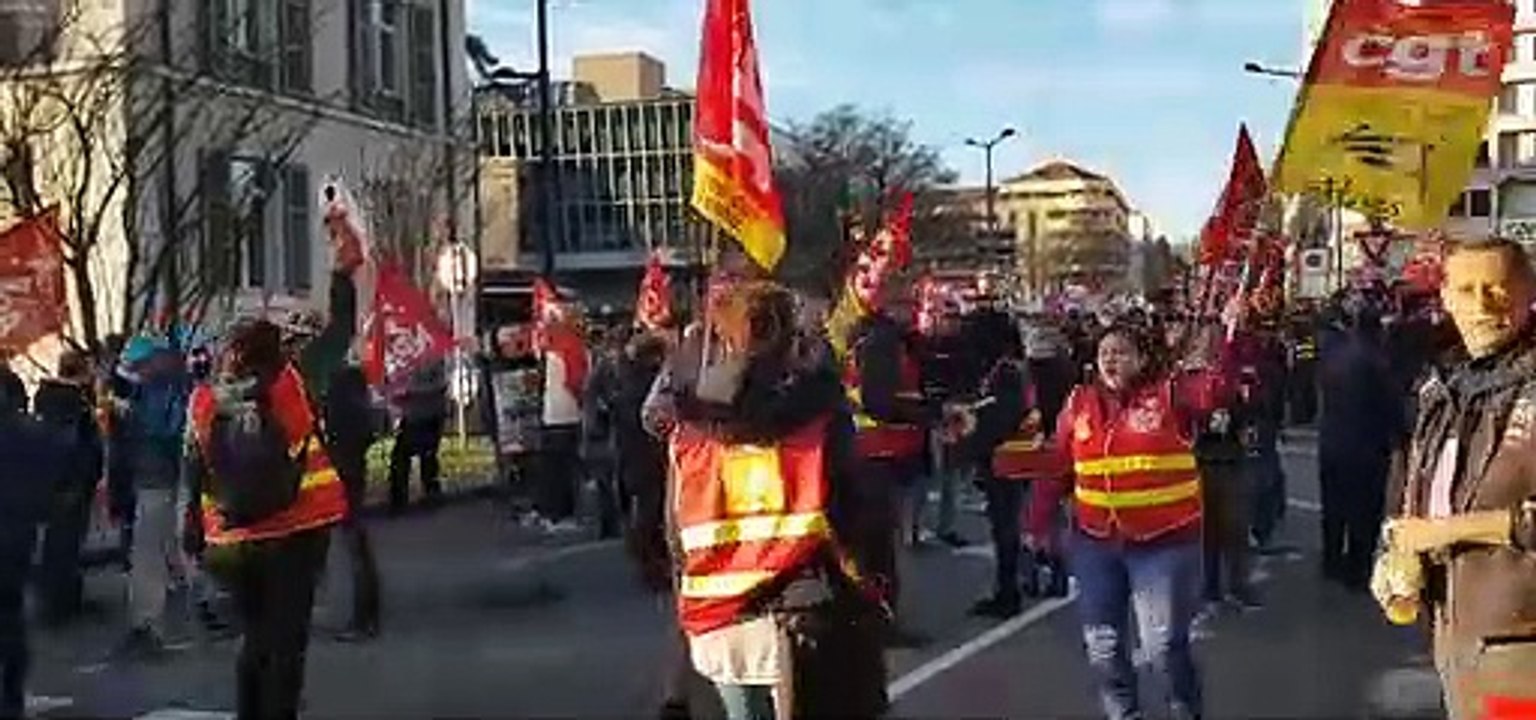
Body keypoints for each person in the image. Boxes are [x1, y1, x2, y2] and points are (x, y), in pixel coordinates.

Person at [667, 280, 886, 719]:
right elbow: (855, 516)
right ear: (789, 339)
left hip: (716, 617)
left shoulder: (688, 434)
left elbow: (675, 534)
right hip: (805, 613)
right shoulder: (820, 418)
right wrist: (873, 589)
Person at [1376, 237, 1536, 719]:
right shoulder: (1442, 386)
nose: (1482, 305)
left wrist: (1445, 532)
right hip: (1454, 631)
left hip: (1521, 646)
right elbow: (1414, 490)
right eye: (1466, 289)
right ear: (1445, 297)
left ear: (1528, 292)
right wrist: (1397, 557)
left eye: (1497, 289)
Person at [1055, 322, 1232, 720]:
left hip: (1165, 543)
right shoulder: (1079, 402)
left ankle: (1184, 709)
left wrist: (1221, 346)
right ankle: (1124, 713)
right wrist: (1037, 522)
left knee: (1163, 646)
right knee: (1102, 643)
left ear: (1141, 358)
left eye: (1121, 352)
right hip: (1096, 541)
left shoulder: (1171, 395)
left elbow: (1213, 393)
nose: (1111, 360)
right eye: (1105, 353)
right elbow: (1057, 463)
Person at [184, 319, 349, 720]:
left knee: (253, 638)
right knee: (286, 646)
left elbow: (192, 467)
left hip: (230, 538)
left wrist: (193, 532)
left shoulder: (204, 400)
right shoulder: (289, 385)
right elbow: (337, 337)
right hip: (295, 531)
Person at [844, 293, 936, 641]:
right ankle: (880, 623)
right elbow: (880, 403)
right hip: (879, 453)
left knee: (874, 545)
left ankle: (871, 618)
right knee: (879, 547)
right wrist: (928, 415)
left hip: (873, 452)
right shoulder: (883, 343)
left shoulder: (875, 339)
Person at [117, 335, 192, 657]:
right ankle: (193, 601)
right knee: (163, 546)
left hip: (156, 475)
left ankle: (147, 625)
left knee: (148, 550)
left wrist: (131, 414)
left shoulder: (160, 392)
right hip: (161, 474)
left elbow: (163, 430)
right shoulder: (170, 386)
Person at [1318, 305, 1402, 590]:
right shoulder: (1377, 361)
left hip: (1332, 440)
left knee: (1333, 507)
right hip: (1366, 446)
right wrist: (1401, 437)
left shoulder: (1335, 355)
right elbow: (1392, 407)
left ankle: (1330, 561)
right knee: (1363, 512)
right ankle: (1357, 568)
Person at [961, 311, 1031, 616]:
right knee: (1005, 526)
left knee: (1007, 528)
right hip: (1004, 459)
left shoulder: (1005, 373)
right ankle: (1010, 586)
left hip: (1009, 459)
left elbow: (1001, 419)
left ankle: (1009, 591)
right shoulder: (1002, 369)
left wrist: (973, 438)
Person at [0, 368, 59, 718]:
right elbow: (51, 480)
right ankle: (11, 696)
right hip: (16, 537)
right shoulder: (32, 434)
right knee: (11, 617)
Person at [34, 349, 105, 626]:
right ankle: (60, 602)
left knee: (59, 541)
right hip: (71, 484)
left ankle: (59, 598)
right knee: (66, 541)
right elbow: (74, 445)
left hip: (61, 482)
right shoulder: (71, 404)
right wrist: (81, 477)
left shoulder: (53, 400)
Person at [324, 364, 382, 641]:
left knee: (354, 545)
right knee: (357, 544)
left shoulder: (339, 402)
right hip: (353, 469)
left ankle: (363, 618)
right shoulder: (358, 403)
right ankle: (367, 614)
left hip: (342, 472)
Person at [386, 359, 448, 514]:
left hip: (429, 413)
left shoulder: (433, 358)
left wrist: (410, 390)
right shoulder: (407, 359)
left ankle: (426, 493)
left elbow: (441, 384)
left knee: (422, 454)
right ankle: (404, 496)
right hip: (415, 413)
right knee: (405, 455)